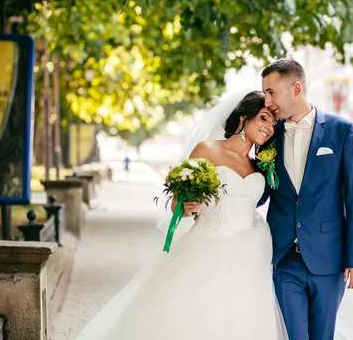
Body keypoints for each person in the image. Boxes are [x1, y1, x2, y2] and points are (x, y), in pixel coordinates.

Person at [75, 90, 288, 340]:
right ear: (244, 117)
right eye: (264, 118)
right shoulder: (207, 150)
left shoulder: (260, 166)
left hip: (249, 257)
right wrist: (185, 206)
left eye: (273, 124)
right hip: (206, 251)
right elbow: (178, 199)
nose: (269, 128)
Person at [260, 59, 353, 340]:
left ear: (296, 88)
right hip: (284, 259)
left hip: (329, 260)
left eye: (272, 92)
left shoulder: (342, 131)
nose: (267, 101)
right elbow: (259, 190)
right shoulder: (269, 137)